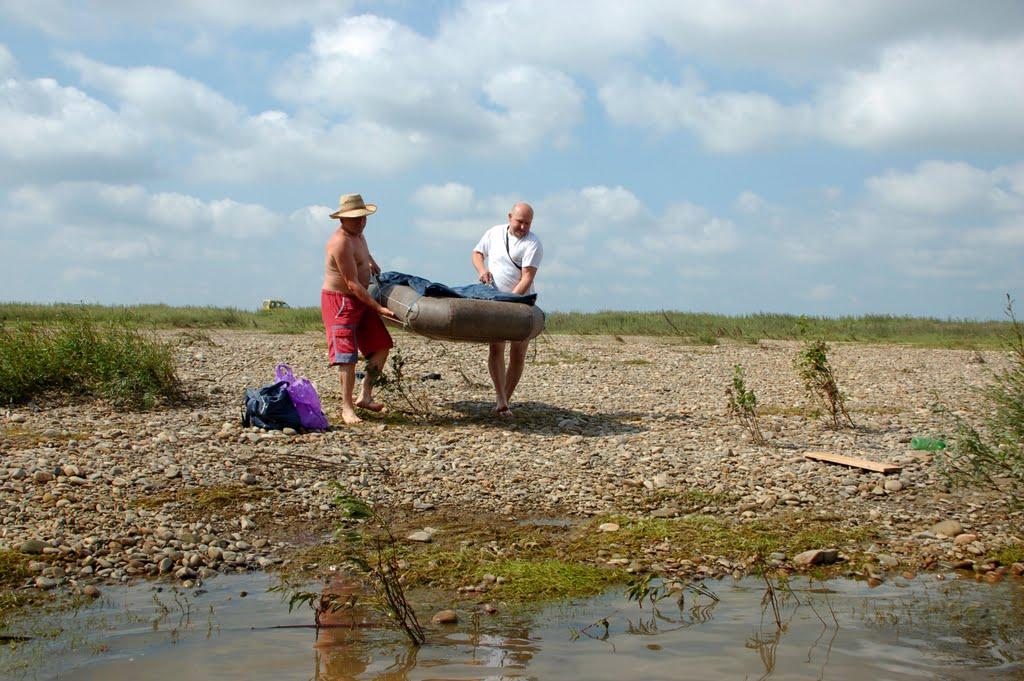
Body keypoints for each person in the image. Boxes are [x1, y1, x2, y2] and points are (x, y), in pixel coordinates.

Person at [321, 193, 397, 425]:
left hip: (360, 299)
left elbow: (361, 254)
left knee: (382, 345)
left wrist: (370, 260)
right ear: (342, 219)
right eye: (355, 218)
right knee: (347, 357)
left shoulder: (359, 234)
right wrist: (378, 308)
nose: (361, 221)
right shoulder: (340, 242)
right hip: (341, 301)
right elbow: (352, 283)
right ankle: (346, 408)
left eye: (363, 217)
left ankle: (365, 396)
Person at [471, 202, 543, 416]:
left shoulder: (533, 244)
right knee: (496, 348)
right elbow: (477, 253)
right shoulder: (494, 233)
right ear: (510, 217)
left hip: (520, 303)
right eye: (520, 222)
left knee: (518, 353)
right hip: (494, 299)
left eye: (527, 223)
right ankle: (500, 399)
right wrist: (482, 270)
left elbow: (527, 277)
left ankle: (505, 399)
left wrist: (510, 301)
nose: (523, 227)